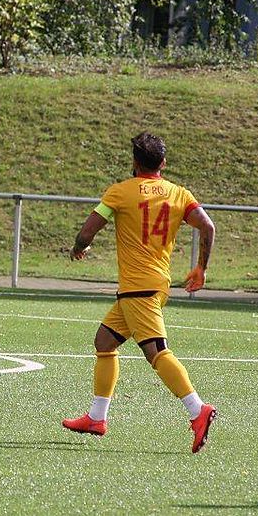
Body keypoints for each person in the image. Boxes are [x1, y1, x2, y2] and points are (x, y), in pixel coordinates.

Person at [61, 132, 218, 454]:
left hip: (138, 288)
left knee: (157, 352)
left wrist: (79, 248)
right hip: (153, 284)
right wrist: (201, 267)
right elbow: (207, 226)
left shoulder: (120, 192)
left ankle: (197, 409)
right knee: (104, 342)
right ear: (163, 163)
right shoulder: (179, 193)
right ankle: (96, 418)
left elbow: (87, 231)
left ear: (134, 161)